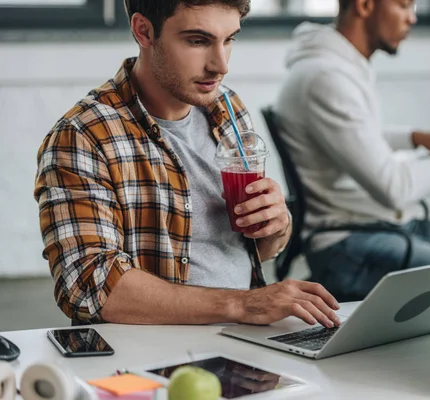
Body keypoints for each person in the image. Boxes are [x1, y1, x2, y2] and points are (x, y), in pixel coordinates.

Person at [33, 0, 341, 328]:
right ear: (144, 31)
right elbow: (90, 285)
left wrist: (277, 227)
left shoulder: (227, 109)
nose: (220, 65)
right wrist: (242, 305)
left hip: (245, 337)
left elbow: (245, 252)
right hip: (153, 356)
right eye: (198, 41)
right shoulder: (84, 135)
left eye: (230, 39)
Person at [275, 0, 430, 301]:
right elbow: (394, 188)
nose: (412, 18)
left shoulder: (334, 66)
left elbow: (351, 136)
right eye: (403, 5)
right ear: (364, 5)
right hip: (352, 246)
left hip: (380, 227)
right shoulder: (327, 78)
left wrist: (414, 138)